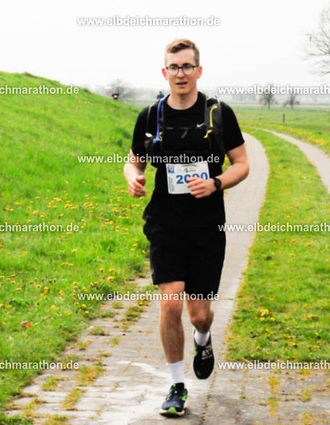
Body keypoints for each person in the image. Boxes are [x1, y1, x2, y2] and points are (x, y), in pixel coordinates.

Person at [123, 38, 249, 417]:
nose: (181, 73)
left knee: (198, 313)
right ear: (165, 72)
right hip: (165, 222)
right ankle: (177, 385)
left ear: (198, 70)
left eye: (187, 66)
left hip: (206, 224)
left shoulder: (218, 113)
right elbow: (134, 161)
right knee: (171, 302)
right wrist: (133, 177)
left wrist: (216, 183)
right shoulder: (151, 116)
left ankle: (203, 338)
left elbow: (242, 164)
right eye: (174, 67)